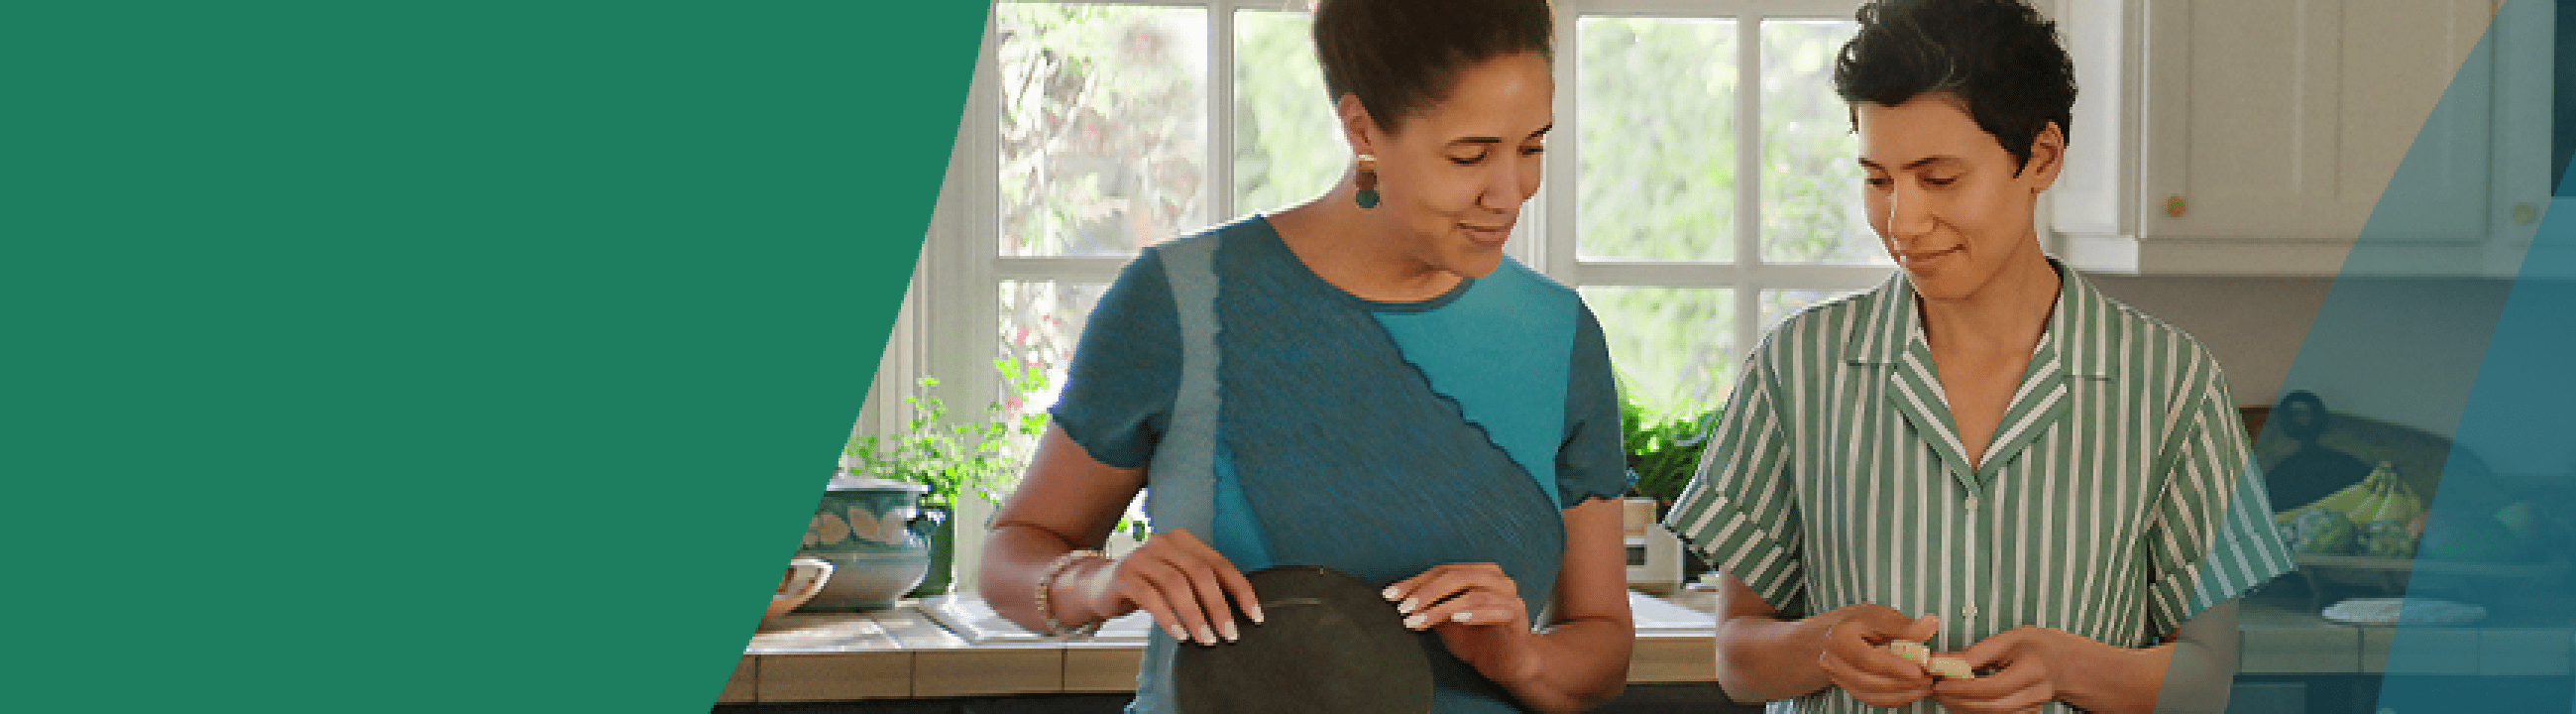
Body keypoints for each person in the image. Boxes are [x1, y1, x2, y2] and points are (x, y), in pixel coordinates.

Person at [978, 1, 1637, 712]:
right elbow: (1015, 549)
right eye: (1469, 155)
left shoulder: (1558, 335)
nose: (1510, 192)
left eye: (1531, 147)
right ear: (1362, 129)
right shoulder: (1183, 301)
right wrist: (1095, 583)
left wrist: (1524, 659)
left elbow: (1600, 643)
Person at [1662, 1, 2299, 712]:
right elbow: (1737, 656)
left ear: (2042, 157)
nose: (1902, 221)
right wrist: (1821, 647)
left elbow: (2205, 678)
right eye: (1878, 179)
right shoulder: (1796, 369)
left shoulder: (2172, 385)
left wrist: (2065, 667)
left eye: (1938, 180)